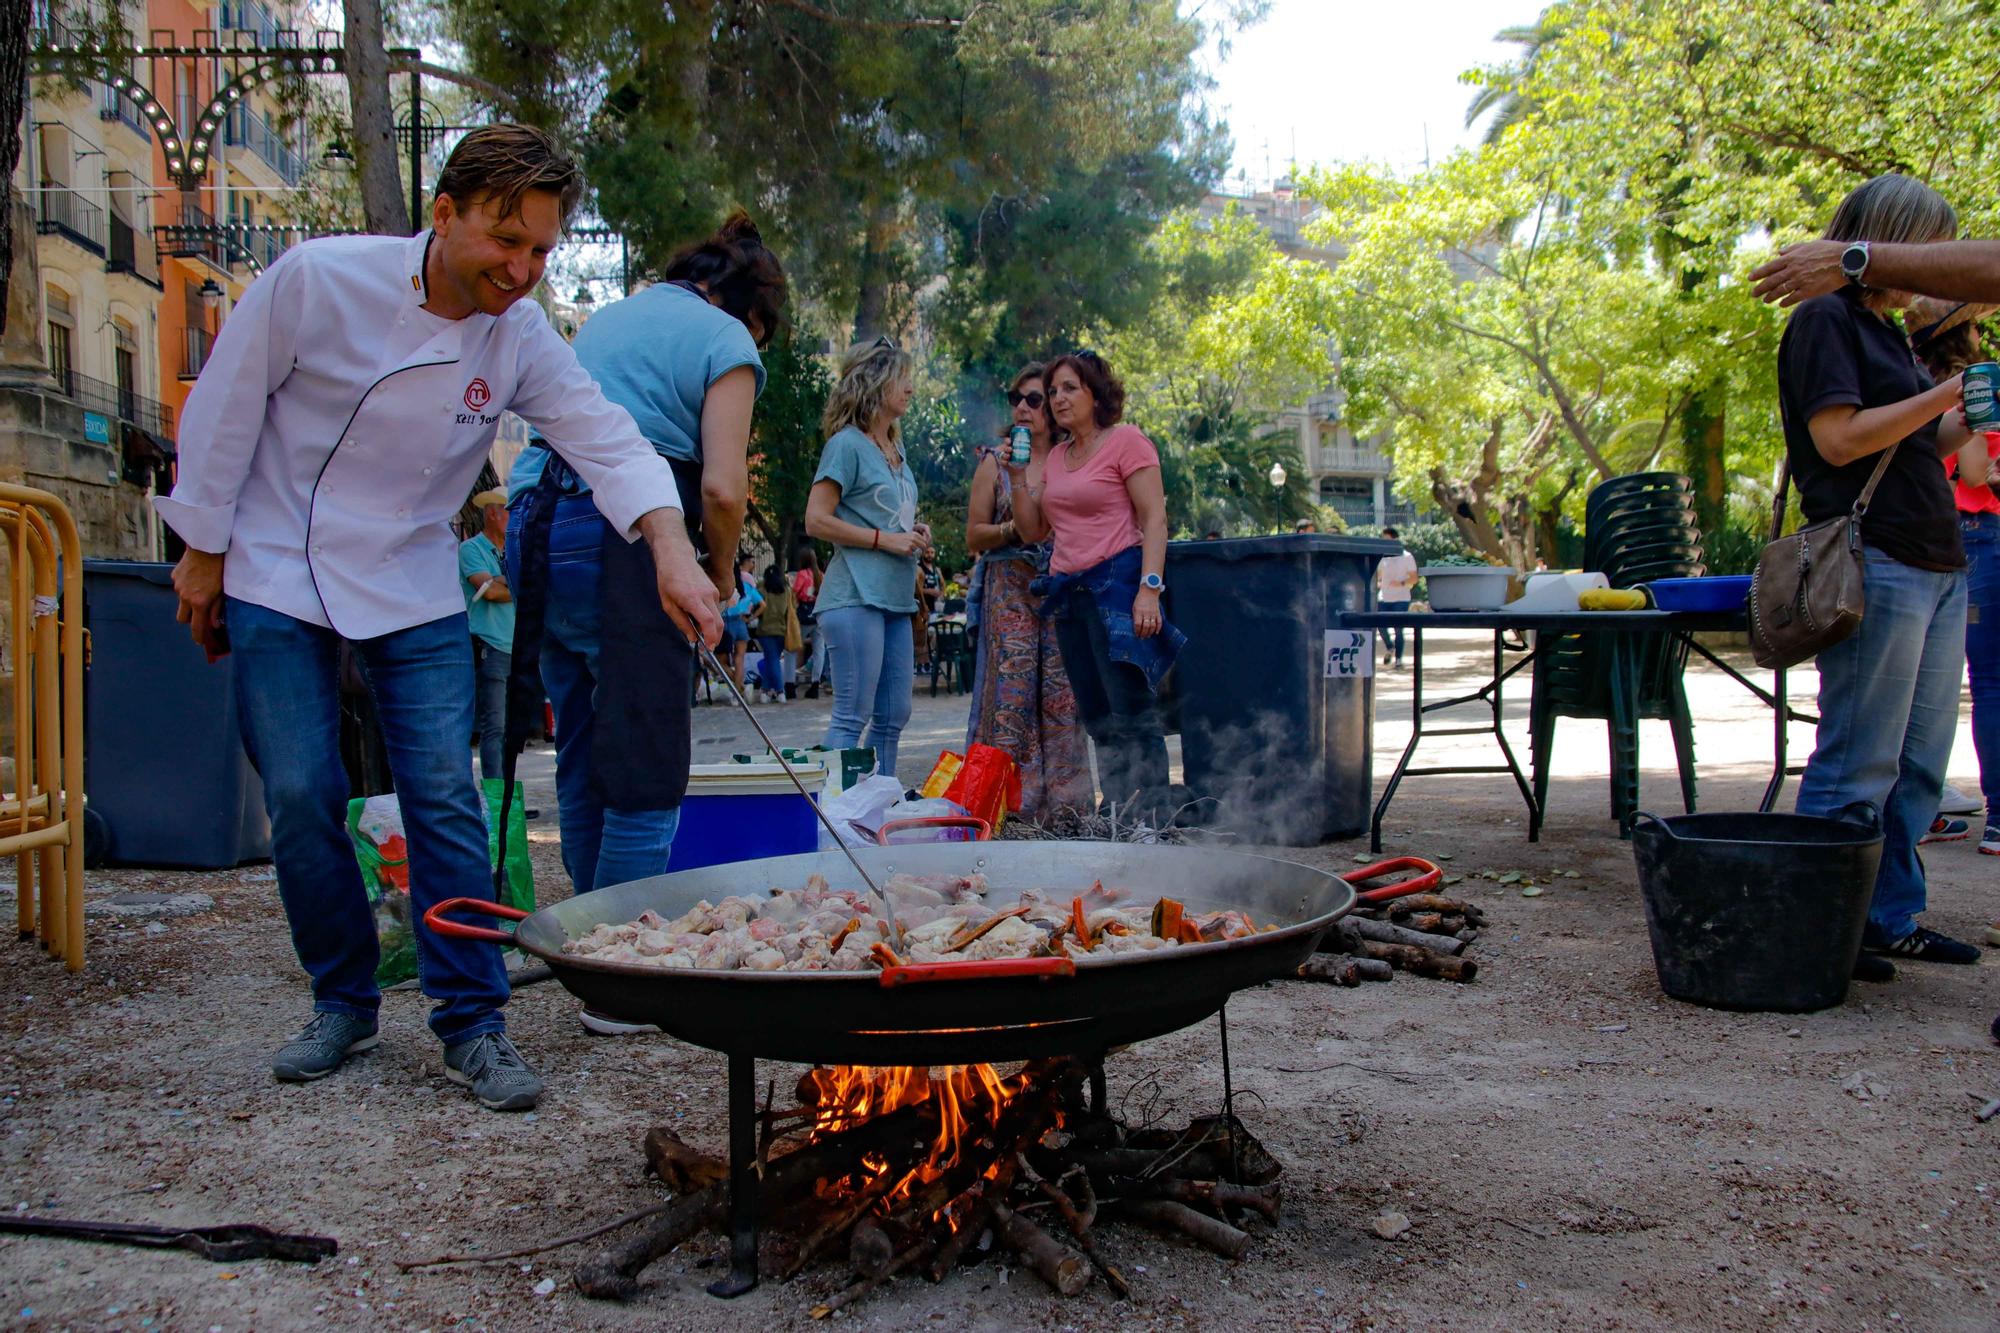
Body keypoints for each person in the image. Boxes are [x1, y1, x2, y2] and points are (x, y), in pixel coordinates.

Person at [157, 125, 722, 1109]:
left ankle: (473, 1019)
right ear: (444, 213)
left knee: (443, 795)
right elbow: (223, 406)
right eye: (505, 240)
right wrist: (203, 554)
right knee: (298, 788)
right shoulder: (315, 282)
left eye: (542, 250)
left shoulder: (521, 336)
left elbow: (609, 442)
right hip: (276, 558)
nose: (522, 268)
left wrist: (674, 551)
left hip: (412, 569)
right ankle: (342, 998)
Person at [503, 210, 782, 925]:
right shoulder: (727, 338)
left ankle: (586, 937)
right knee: (647, 746)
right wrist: (718, 575)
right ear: (749, 311)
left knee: (582, 741)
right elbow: (722, 487)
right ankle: (618, 956)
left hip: (536, 516)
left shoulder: (610, 318)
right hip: (624, 532)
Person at [1776, 174, 1981, 975]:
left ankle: (1887, 915)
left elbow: (1907, 447)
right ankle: (1815, 926)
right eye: (1929, 251)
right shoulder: (1825, 319)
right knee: (1860, 754)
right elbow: (1837, 442)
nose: (1936, 272)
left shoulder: (1888, 330)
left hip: (1936, 558)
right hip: (1878, 560)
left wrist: (1958, 414)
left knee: (1919, 765)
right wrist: (1943, 395)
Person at [1009, 350, 1184, 819]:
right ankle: (1121, 813)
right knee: (1099, 719)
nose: (1058, 399)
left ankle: (1151, 819)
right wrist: (1015, 476)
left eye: (1069, 388)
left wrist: (1150, 589)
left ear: (1095, 392)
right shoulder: (1060, 456)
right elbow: (1032, 531)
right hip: (1071, 597)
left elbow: (1155, 517)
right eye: (1053, 392)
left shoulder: (1127, 441)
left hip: (1119, 590)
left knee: (1132, 714)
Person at [963, 363, 1093, 819]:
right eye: (1016, 398)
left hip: (1060, 590)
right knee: (1009, 702)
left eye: (1034, 399)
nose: (1022, 406)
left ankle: (1066, 814)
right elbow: (973, 537)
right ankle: (1006, 812)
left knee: (1063, 700)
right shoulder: (994, 461)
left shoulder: (1071, 458)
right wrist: (1011, 530)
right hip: (1010, 591)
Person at [805, 338, 930, 779]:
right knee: (850, 716)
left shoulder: (896, 450)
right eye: (902, 378)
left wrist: (912, 534)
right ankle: (832, 822)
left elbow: (886, 516)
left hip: (895, 598)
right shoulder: (847, 445)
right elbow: (816, 520)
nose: (910, 388)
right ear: (875, 382)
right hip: (854, 594)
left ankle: (876, 810)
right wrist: (884, 540)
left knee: (894, 716)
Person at [1910, 299, 2000, 849]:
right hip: (1980, 535)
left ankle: (1921, 807)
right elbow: (1973, 472)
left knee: (1933, 682)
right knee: (1990, 681)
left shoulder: (1914, 383)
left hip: (1934, 539)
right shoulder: (1975, 385)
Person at [458, 488, 514, 786]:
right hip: (490, 646)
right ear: (493, 513)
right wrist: (511, 584)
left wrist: (501, 581)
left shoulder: (512, 549)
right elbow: (488, 592)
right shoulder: (472, 549)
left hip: (515, 646)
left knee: (511, 727)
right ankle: (496, 797)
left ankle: (508, 797)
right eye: (509, 512)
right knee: (495, 727)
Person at [754, 563, 801, 704]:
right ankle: (766, 690)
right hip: (782, 630)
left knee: (771, 660)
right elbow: (793, 608)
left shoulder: (762, 590)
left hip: (765, 630)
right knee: (772, 660)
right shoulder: (786, 591)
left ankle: (780, 690)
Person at [1374, 527, 1418, 667]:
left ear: (1395, 540)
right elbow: (1379, 574)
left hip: (1401, 597)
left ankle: (1399, 659)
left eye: (1387, 539)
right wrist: (1378, 583)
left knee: (1398, 629)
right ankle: (1389, 646)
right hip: (1384, 597)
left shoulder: (1407, 556)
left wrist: (1401, 583)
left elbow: (1414, 578)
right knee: (1379, 624)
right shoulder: (1382, 557)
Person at [722, 552, 764, 692]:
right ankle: (739, 688)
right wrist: (750, 618)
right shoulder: (746, 586)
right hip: (741, 622)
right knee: (739, 658)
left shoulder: (725, 586)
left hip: (726, 622)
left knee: (718, 660)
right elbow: (762, 604)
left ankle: (735, 683)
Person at [793, 548, 824, 698]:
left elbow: (795, 592)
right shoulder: (820, 575)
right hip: (818, 615)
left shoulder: (802, 575)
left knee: (792, 647)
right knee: (819, 651)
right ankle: (815, 684)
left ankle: (789, 683)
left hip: (804, 614)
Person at [914, 550, 944, 674]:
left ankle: (930, 662)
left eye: (932, 552)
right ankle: (921, 665)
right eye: (927, 552)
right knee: (921, 637)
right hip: (922, 607)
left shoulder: (936, 569)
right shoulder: (919, 568)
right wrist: (929, 592)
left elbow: (943, 585)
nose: (930, 555)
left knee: (932, 636)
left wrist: (941, 594)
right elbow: (917, 589)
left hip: (935, 608)